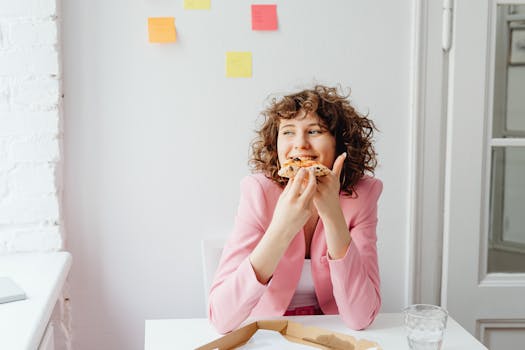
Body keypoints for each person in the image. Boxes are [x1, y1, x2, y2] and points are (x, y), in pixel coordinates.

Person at [208, 85, 382, 334]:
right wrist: (282, 228)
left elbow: (361, 318)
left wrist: (333, 216)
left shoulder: (361, 195)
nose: (300, 144)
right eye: (288, 132)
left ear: (339, 144)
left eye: (314, 131)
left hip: (334, 332)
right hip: (269, 333)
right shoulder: (258, 193)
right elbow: (220, 318)